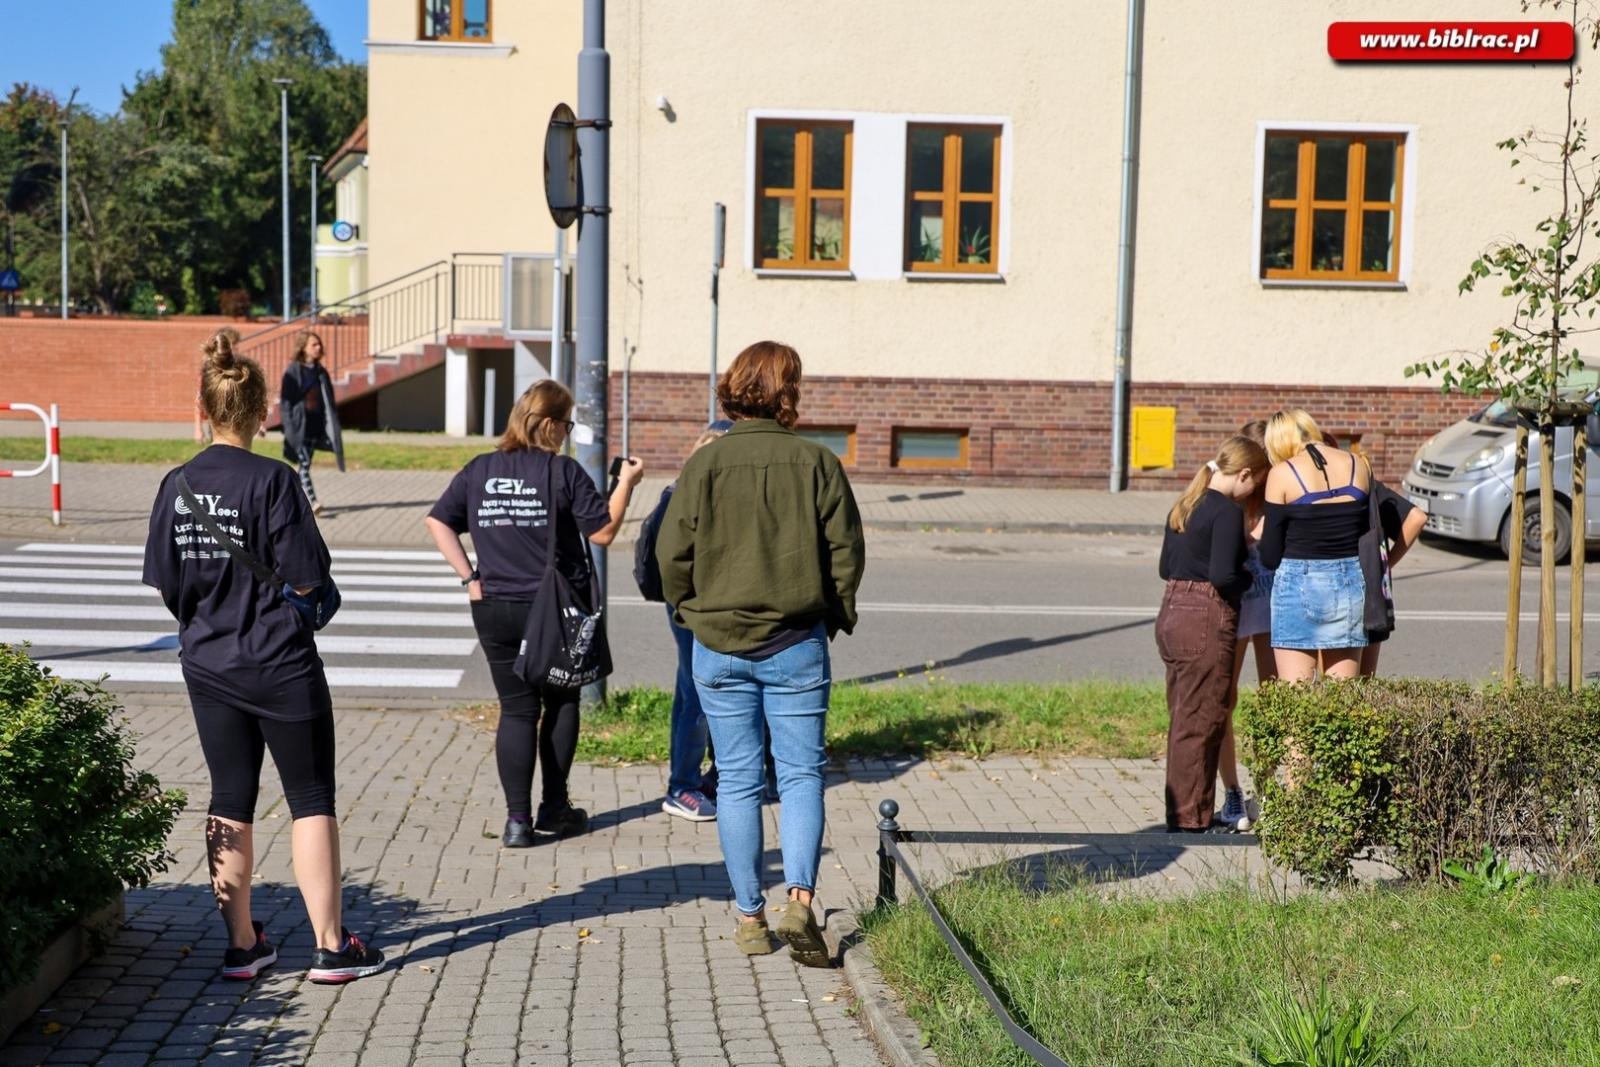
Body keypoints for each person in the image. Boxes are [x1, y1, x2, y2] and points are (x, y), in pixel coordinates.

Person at [142, 328, 384, 985]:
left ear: (204, 409)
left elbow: (167, 582)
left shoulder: (176, 484)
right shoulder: (275, 481)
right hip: (281, 663)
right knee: (310, 798)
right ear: (259, 414)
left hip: (209, 663)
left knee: (229, 798)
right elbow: (307, 576)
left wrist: (210, 622)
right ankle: (332, 946)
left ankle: (243, 944)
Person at [657, 341, 865, 966]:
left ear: (734, 389)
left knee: (740, 781)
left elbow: (673, 556)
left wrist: (691, 614)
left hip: (715, 646)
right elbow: (846, 555)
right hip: (796, 643)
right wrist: (833, 617)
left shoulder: (705, 465)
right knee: (800, 775)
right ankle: (799, 898)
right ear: (788, 392)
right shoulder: (818, 462)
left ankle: (750, 917)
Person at [425, 380, 643, 848]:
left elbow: (437, 520)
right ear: (548, 424)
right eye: (565, 424)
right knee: (562, 702)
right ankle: (555, 808)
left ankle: (517, 822)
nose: (567, 433)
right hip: (552, 612)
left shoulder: (480, 469)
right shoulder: (561, 472)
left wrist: (469, 577)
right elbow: (603, 532)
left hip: (494, 607)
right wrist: (625, 483)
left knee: (518, 710)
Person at [1156, 434, 1268, 833]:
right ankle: (1190, 819)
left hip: (1172, 609)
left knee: (1184, 717)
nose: (1253, 491)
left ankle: (1183, 811)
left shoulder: (1187, 503)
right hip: (1205, 616)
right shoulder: (1224, 510)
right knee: (1202, 720)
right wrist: (1247, 574)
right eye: (1255, 482)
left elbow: (1165, 567)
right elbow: (1223, 575)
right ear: (1244, 474)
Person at [641, 422, 731, 822]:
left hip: (714, 608)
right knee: (694, 697)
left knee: (718, 693)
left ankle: (717, 776)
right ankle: (682, 787)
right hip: (691, 609)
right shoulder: (682, 497)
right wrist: (688, 603)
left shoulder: (725, 497)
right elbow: (670, 561)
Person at [1259, 409, 1371, 682]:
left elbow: (1270, 556)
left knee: (1296, 700)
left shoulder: (1282, 474)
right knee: (1343, 699)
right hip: (1350, 581)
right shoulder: (1357, 464)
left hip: (1297, 583)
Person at [1214, 418, 1275, 832]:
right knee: (1225, 699)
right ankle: (1232, 791)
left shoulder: (1275, 496)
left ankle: (1274, 790)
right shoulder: (1228, 498)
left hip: (1272, 608)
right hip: (1234, 609)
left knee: (1275, 699)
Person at [280, 331, 344, 514]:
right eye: (313, 345)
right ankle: (313, 502)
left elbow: (329, 400)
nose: (318, 348)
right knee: (304, 465)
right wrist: (289, 428)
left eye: (319, 344)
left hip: (316, 426)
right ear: (303, 348)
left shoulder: (320, 371)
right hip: (300, 427)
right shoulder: (293, 371)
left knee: (302, 466)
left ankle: (288, 501)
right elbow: (286, 403)